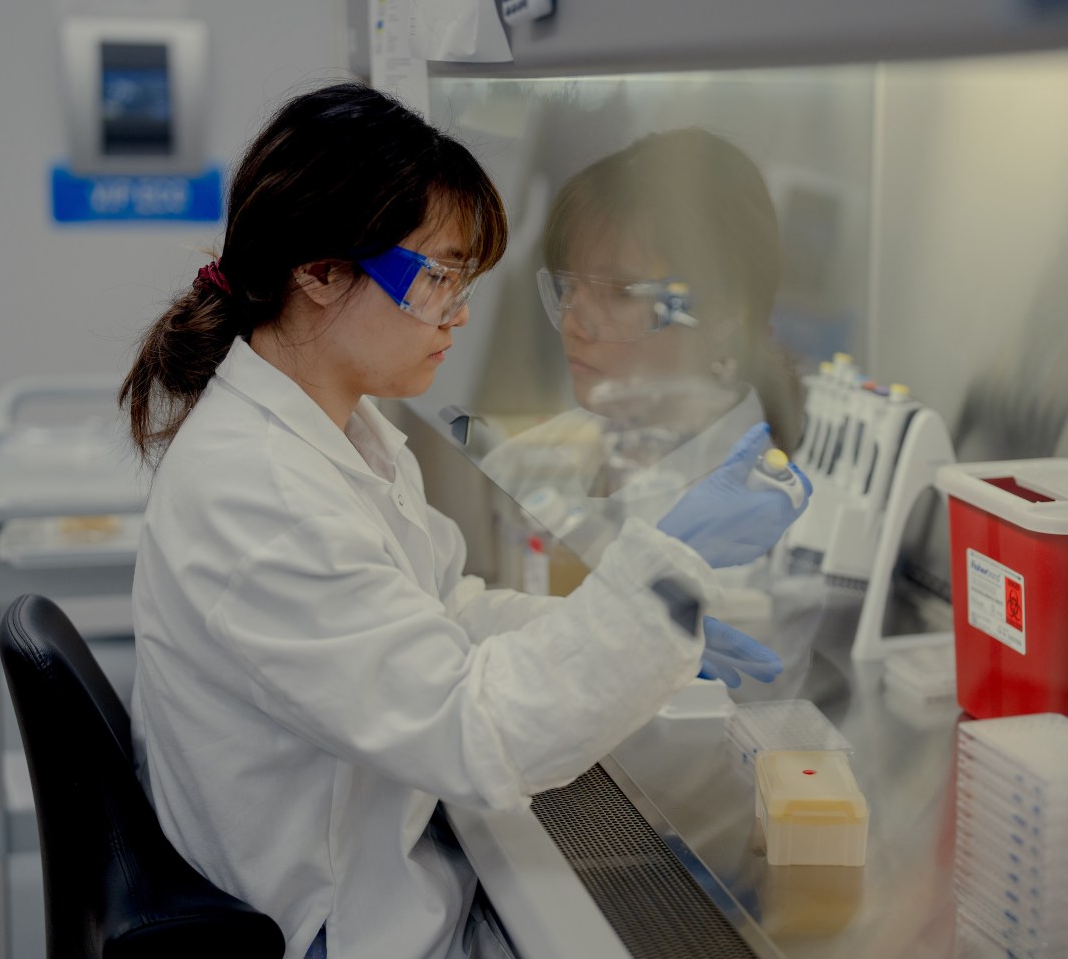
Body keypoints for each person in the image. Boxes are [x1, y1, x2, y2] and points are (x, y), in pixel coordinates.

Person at [118, 83, 808, 959]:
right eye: (438, 276)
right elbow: (474, 731)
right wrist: (656, 589)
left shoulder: (340, 430)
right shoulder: (262, 496)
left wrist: (648, 630)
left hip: (366, 865)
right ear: (320, 271)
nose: (460, 310)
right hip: (335, 925)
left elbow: (444, 610)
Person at [479, 128, 818, 700]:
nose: (575, 321)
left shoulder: (769, 527)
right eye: (569, 288)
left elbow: (699, 750)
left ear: (725, 312)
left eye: (618, 293)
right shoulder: (555, 453)